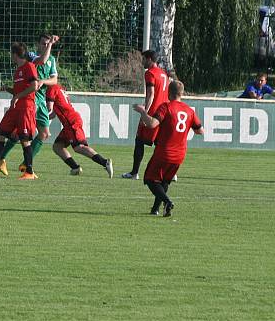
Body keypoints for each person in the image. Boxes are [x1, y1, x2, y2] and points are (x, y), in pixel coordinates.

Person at [133, 80, 203, 216]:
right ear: (181, 94)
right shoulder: (189, 111)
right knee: (164, 181)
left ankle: (168, 202)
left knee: (149, 179)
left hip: (164, 152)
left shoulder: (166, 107)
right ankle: (155, 209)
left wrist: (142, 112)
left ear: (168, 93)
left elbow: (152, 124)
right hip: (180, 154)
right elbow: (200, 131)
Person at [0, 33, 59, 175]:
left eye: (46, 43)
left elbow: (54, 80)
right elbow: (42, 60)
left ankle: (25, 164)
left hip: (41, 99)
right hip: (31, 97)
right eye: (42, 43)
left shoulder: (52, 60)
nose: (44, 46)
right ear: (38, 44)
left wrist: (43, 81)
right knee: (21, 131)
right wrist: (51, 44)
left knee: (44, 133)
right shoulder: (30, 56)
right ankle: (5, 159)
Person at [0, 42, 39, 180]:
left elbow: (34, 86)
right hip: (15, 108)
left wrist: (17, 96)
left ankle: (29, 172)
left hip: (26, 108)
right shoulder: (17, 70)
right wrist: (9, 89)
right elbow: (20, 90)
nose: (10, 57)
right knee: (0, 134)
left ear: (15, 54)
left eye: (11, 54)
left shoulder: (29, 66)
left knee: (25, 139)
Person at [46, 83, 114, 177]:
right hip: (69, 123)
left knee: (79, 147)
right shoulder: (59, 88)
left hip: (71, 122)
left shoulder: (51, 88)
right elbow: (53, 114)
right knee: (57, 146)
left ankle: (104, 162)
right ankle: (75, 167)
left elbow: (49, 108)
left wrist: (37, 115)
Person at [122, 49, 169, 179]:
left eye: (143, 59)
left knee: (139, 141)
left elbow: (151, 94)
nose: (142, 61)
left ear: (149, 59)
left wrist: (145, 112)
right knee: (161, 143)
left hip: (153, 113)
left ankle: (134, 173)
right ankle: (170, 172)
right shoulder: (163, 74)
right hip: (164, 113)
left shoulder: (150, 73)